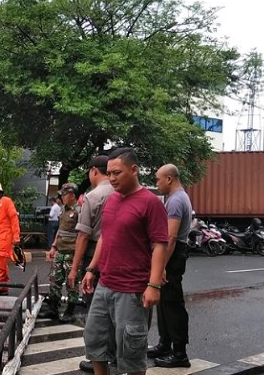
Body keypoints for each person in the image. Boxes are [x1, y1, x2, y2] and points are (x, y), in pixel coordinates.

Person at [80, 148, 169, 375]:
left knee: (131, 352)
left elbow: (160, 244)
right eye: (109, 173)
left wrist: (154, 284)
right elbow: (104, 238)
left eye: (117, 173)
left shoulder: (150, 203)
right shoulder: (111, 200)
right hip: (105, 284)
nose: (111, 178)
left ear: (134, 170)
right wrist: (91, 269)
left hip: (132, 290)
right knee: (95, 342)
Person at [68, 155, 114, 373]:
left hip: (93, 256)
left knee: (95, 309)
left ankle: (99, 358)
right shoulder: (120, 192)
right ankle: (114, 354)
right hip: (116, 255)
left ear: (94, 171)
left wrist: (75, 268)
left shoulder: (93, 196)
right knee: (114, 306)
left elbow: (83, 236)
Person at [148, 164, 193, 368]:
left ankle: (180, 353)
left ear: (169, 179)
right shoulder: (177, 197)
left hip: (173, 254)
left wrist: (162, 265)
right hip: (174, 252)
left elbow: (171, 237)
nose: (156, 184)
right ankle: (165, 344)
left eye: (158, 179)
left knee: (173, 303)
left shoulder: (176, 200)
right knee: (164, 301)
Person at [41, 182, 82, 322]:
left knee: (72, 282)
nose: (62, 197)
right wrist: (53, 246)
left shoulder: (79, 211)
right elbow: (60, 229)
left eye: (64, 194)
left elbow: (82, 235)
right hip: (60, 251)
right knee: (55, 280)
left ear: (72, 195)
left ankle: (70, 311)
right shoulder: (63, 210)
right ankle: (53, 309)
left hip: (72, 253)